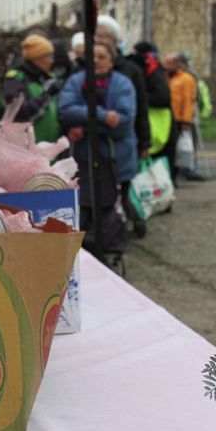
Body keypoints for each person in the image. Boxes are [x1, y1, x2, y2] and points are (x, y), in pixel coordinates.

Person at [57, 39, 137, 274]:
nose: (97, 61)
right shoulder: (76, 82)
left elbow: (122, 121)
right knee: (85, 207)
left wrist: (88, 126)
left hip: (115, 160)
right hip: (83, 159)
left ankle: (108, 249)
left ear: (111, 61)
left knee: (112, 207)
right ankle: (87, 251)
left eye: (102, 57)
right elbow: (66, 111)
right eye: (93, 57)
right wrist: (102, 116)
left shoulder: (122, 84)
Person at [95, 14, 151, 237]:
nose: (99, 41)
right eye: (96, 37)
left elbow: (141, 110)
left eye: (103, 37)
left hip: (123, 139)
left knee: (122, 185)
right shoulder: (86, 67)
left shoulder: (129, 70)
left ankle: (129, 223)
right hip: (98, 140)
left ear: (114, 40)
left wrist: (144, 140)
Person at [0, 34, 62, 143]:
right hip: (26, 148)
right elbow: (19, 113)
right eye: (49, 56)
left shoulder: (46, 78)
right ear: (37, 58)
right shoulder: (16, 79)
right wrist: (47, 95)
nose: (52, 61)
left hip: (48, 146)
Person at [133, 41, 176, 185]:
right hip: (159, 125)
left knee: (160, 164)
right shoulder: (153, 69)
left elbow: (163, 97)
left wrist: (140, 96)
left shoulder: (152, 71)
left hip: (159, 126)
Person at [167, 52, 209, 182]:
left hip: (181, 119)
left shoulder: (186, 78)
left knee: (184, 146)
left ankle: (188, 169)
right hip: (169, 118)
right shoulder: (168, 77)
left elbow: (188, 100)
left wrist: (186, 120)